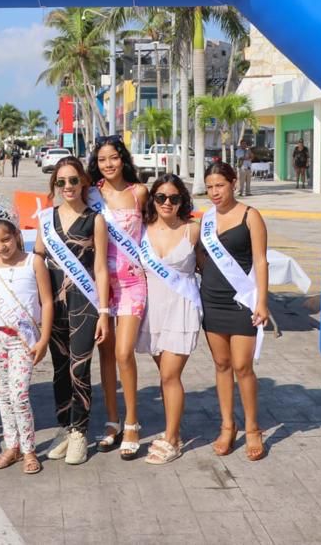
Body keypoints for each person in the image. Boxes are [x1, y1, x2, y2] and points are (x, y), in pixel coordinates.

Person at [35, 156, 110, 465]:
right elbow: (37, 259)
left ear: (84, 183)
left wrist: (104, 311)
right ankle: (65, 427)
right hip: (53, 304)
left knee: (79, 368)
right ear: (55, 184)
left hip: (85, 303)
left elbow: (101, 268)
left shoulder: (96, 220)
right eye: (61, 181)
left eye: (74, 180)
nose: (68, 186)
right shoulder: (45, 219)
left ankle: (80, 431)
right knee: (59, 368)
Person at [199, 162, 270, 461]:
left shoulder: (250, 216)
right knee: (221, 364)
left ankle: (253, 427)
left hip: (242, 301)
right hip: (211, 300)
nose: (215, 192)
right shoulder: (206, 219)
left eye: (220, 185)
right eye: (210, 187)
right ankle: (228, 425)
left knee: (243, 366)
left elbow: (261, 260)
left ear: (233, 184)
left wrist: (262, 301)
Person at [0, 214, 54, 475]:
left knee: (19, 395)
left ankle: (29, 449)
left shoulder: (34, 262)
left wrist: (44, 338)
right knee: (4, 396)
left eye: (6, 239)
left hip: (23, 340)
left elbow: (47, 301)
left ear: (17, 236)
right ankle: (12, 447)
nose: (1, 246)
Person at [87, 136, 148, 460]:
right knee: (106, 355)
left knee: (124, 352)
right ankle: (112, 421)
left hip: (132, 283)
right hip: (100, 286)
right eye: (101, 159)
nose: (108, 164)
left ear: (123, 159)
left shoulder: (140, 193)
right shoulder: (91, 194)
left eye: (113, 157)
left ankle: (132, 422)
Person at [137, 174, 201, 464]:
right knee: (165, 376)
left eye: (174, 198)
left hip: (181, 309)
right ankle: (172, 429)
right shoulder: (141, 230)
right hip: (152, 311)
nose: (167, 203)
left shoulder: (193, 230)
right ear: (153, 199)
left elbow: (209, 266)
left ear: (182, 201)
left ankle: (172, 439)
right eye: (161, 197)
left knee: (170, 376)